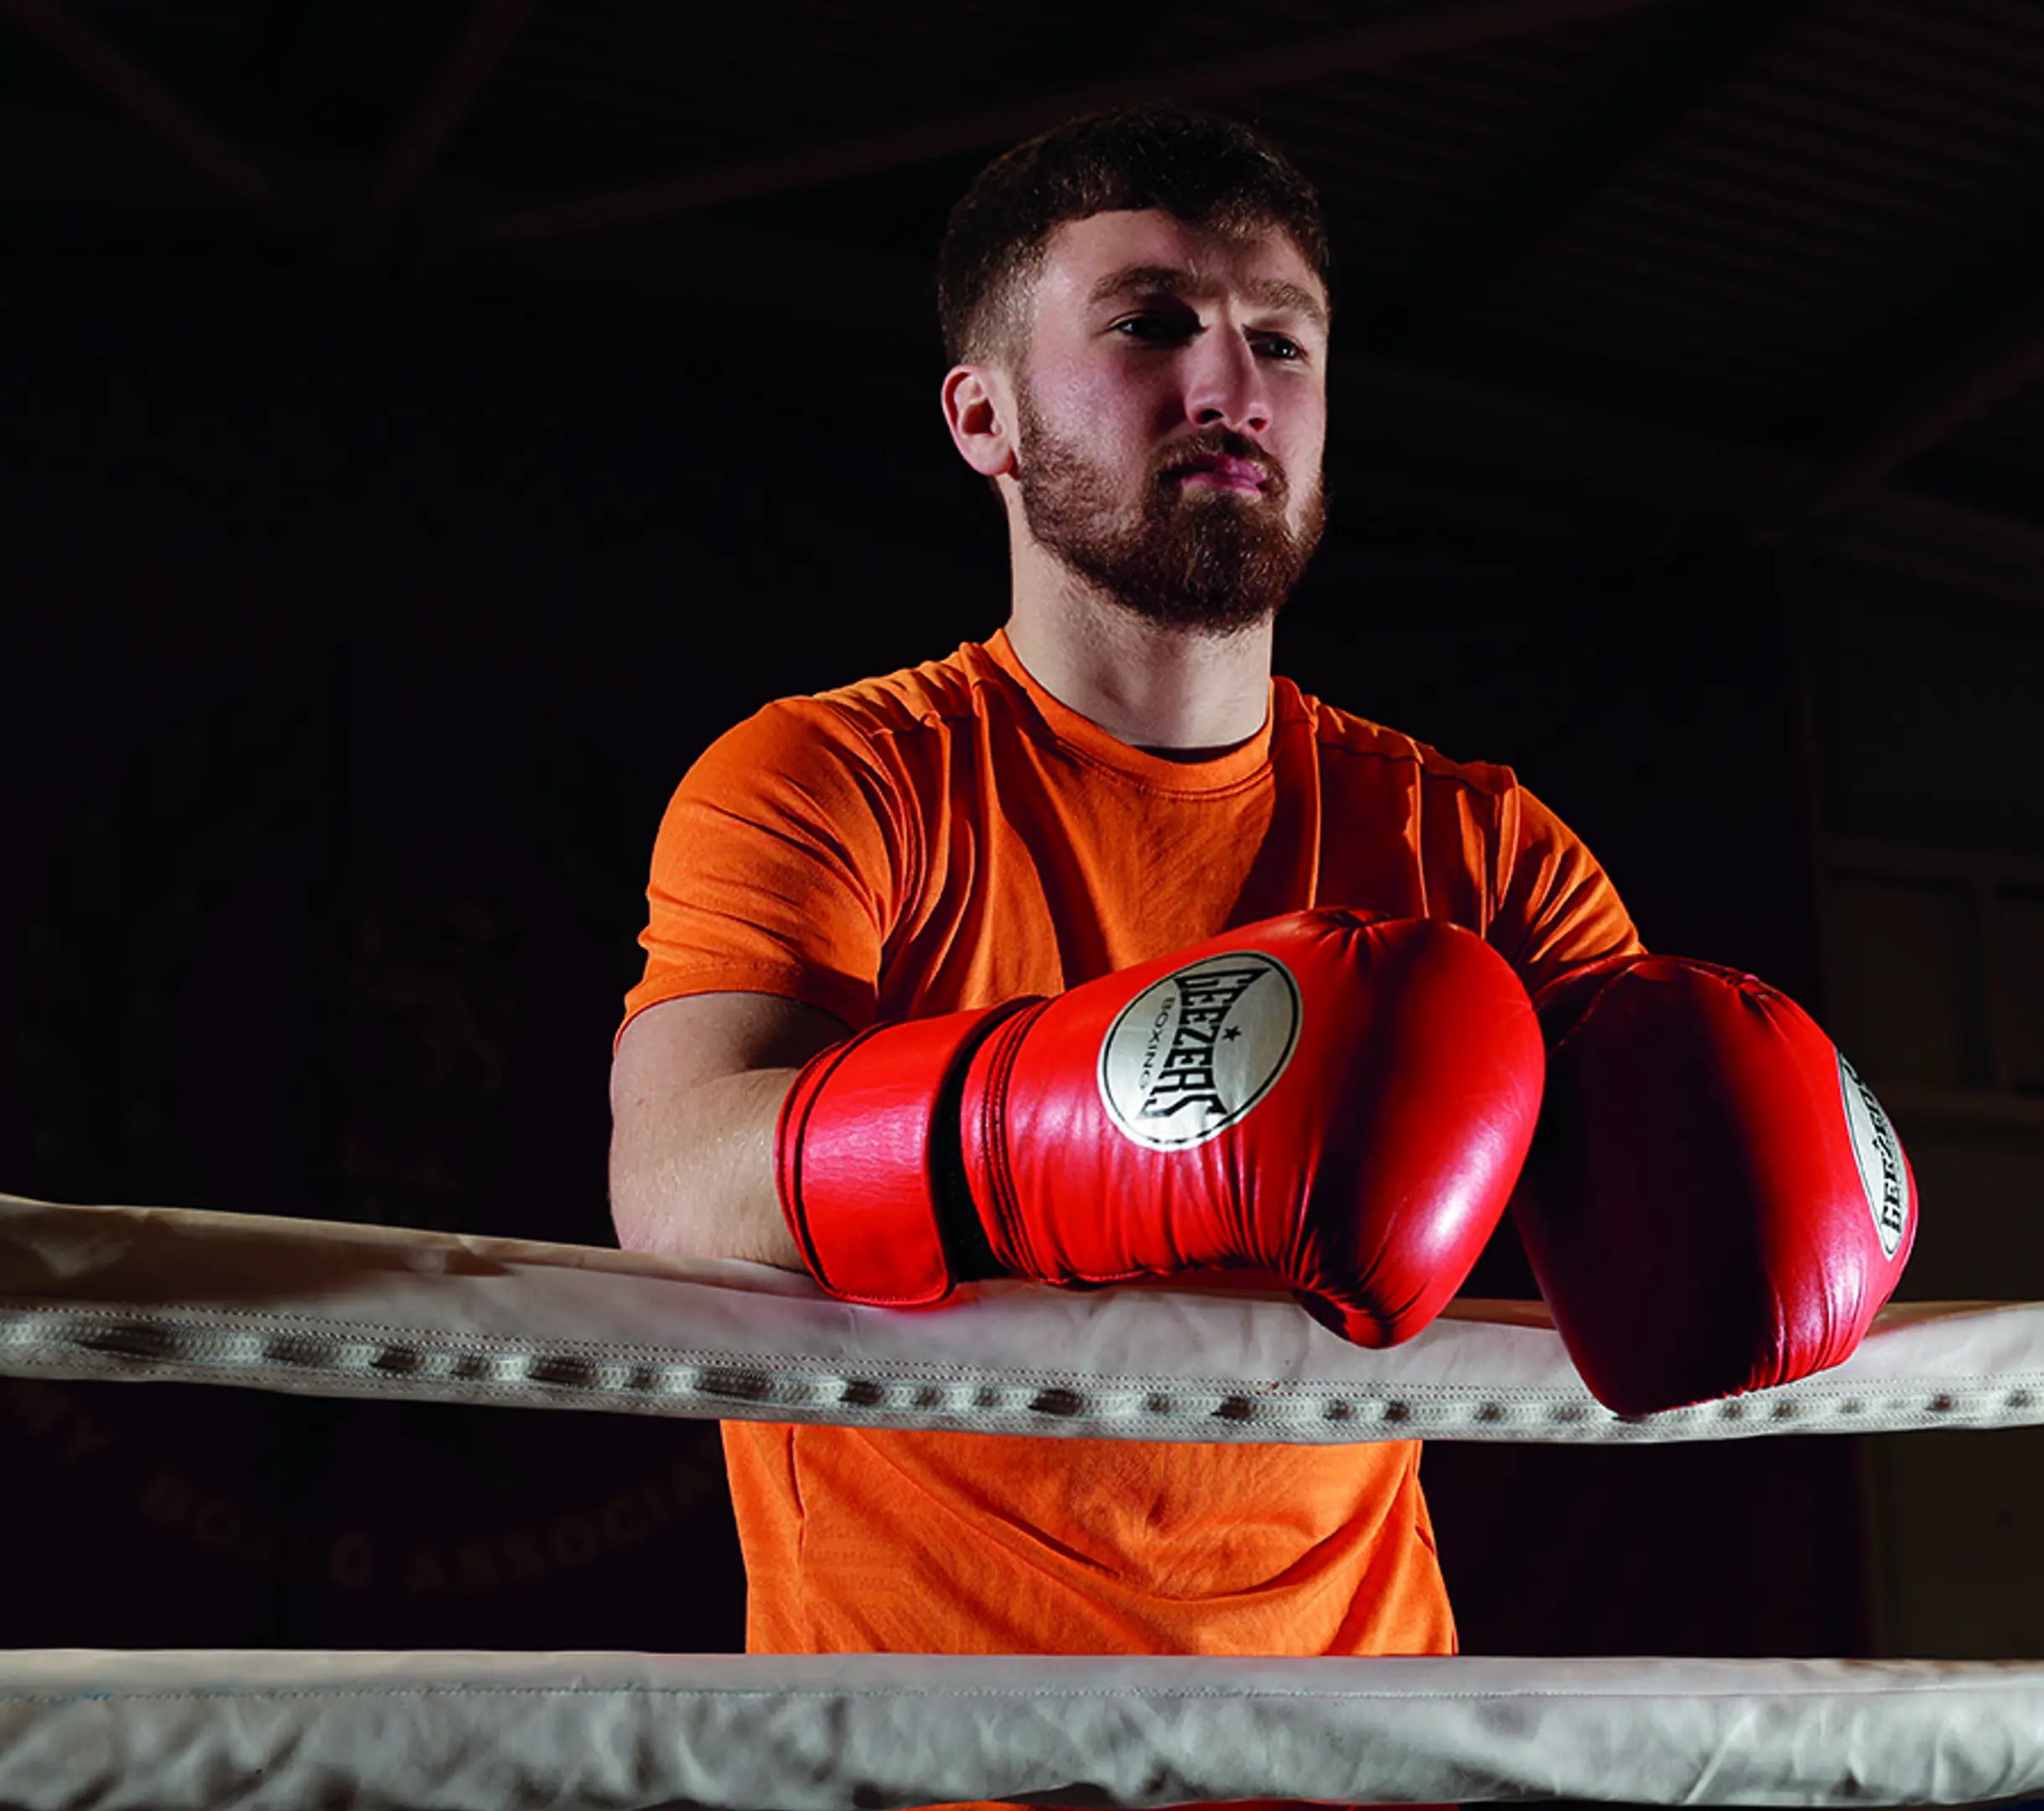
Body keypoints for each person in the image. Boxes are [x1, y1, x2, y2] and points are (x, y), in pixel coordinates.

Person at [606, 107, 1640, 1679]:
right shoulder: (834, 778)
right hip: (924, 1771)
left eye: (1282, 345)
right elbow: (677, 1181)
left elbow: (1695, 1196)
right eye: (1151, 325)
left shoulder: (1482, 848)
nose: (1232, 387)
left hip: (1362, 1763)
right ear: (983, 417)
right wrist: (1075, 1129)